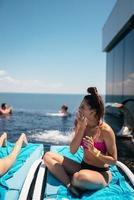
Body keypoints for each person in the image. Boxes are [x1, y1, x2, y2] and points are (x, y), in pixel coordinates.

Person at [43, 87, 117, 197]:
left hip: (101, 172)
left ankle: (74, 180)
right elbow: (72, 151)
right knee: (48, 156)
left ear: (93, 111)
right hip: (83, 166)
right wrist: (81, 129)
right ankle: (69, 185)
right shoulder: (81, 124)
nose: (79, 109)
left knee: (79, 177)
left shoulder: (106, 130)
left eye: (82, 107)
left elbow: (114, 161)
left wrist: (94, 151)